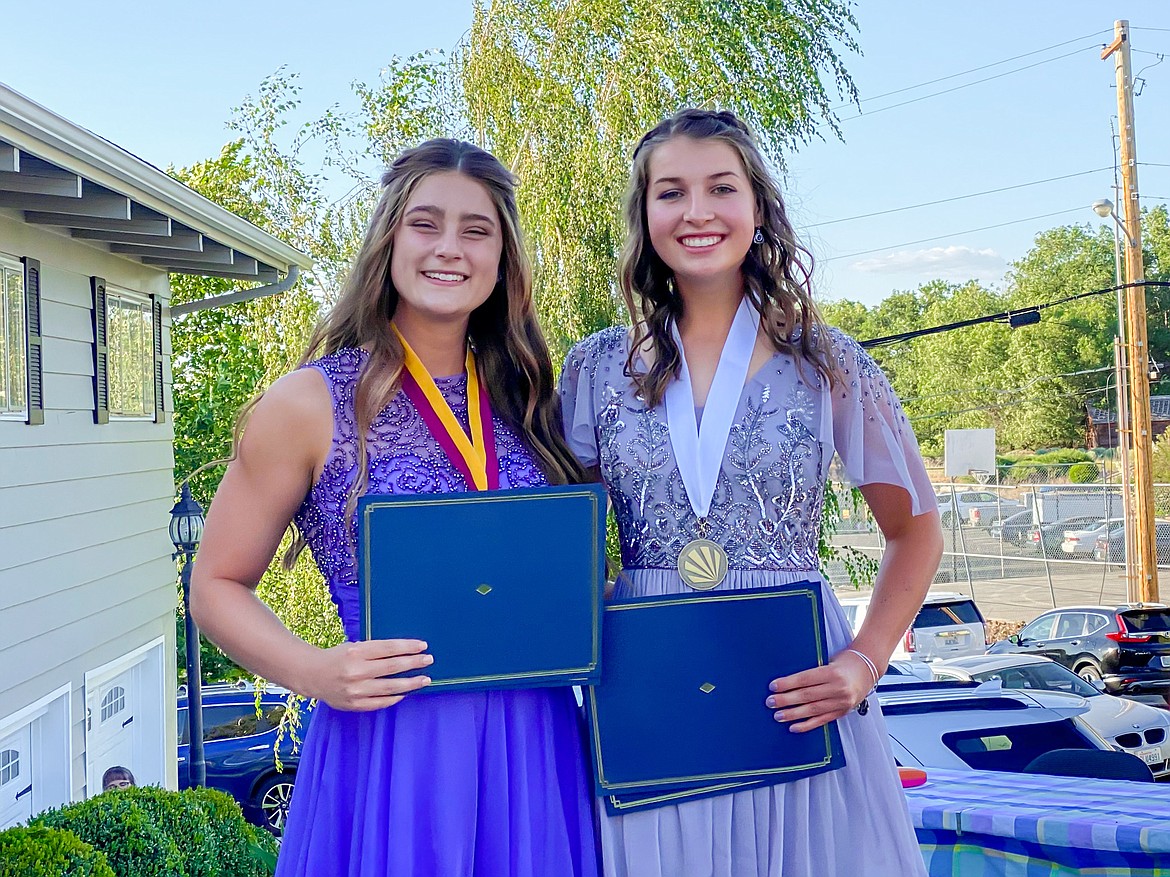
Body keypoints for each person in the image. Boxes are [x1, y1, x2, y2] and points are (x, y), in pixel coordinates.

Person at [191, 139, 599, 877]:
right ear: (389, 237)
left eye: (477, 230)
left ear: (503, 257)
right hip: (388, 745)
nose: (451, 248)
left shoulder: (535, 401)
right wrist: (314, 671)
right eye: (426, 223)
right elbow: (214, 584)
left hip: (535, 744)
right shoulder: (309, 403)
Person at [558, 108, 942, 877]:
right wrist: (601, 610)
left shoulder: (827, 360)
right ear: (644, 216)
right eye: (671, 192)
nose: (697, 212)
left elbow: (916, 532)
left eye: (720, 188)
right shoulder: (594, 366)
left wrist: (864, 663)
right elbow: (556, 542)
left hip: (798, 689)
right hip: (656, 694)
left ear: (757, 207)